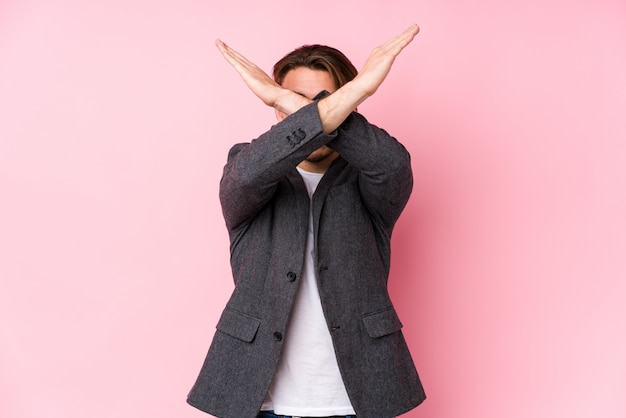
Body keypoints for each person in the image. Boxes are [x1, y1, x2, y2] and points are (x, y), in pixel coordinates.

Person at [187, 24, 426, 418]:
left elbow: (394, 165)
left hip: (358, 398)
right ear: (276, 108)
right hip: (256, 397)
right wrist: (341, 99)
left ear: (348, 107)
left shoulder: (370, 177)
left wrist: (304, 101)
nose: (311, 112)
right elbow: (246, 177)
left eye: (326, 102)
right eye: (294, 100)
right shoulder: (247, 165)